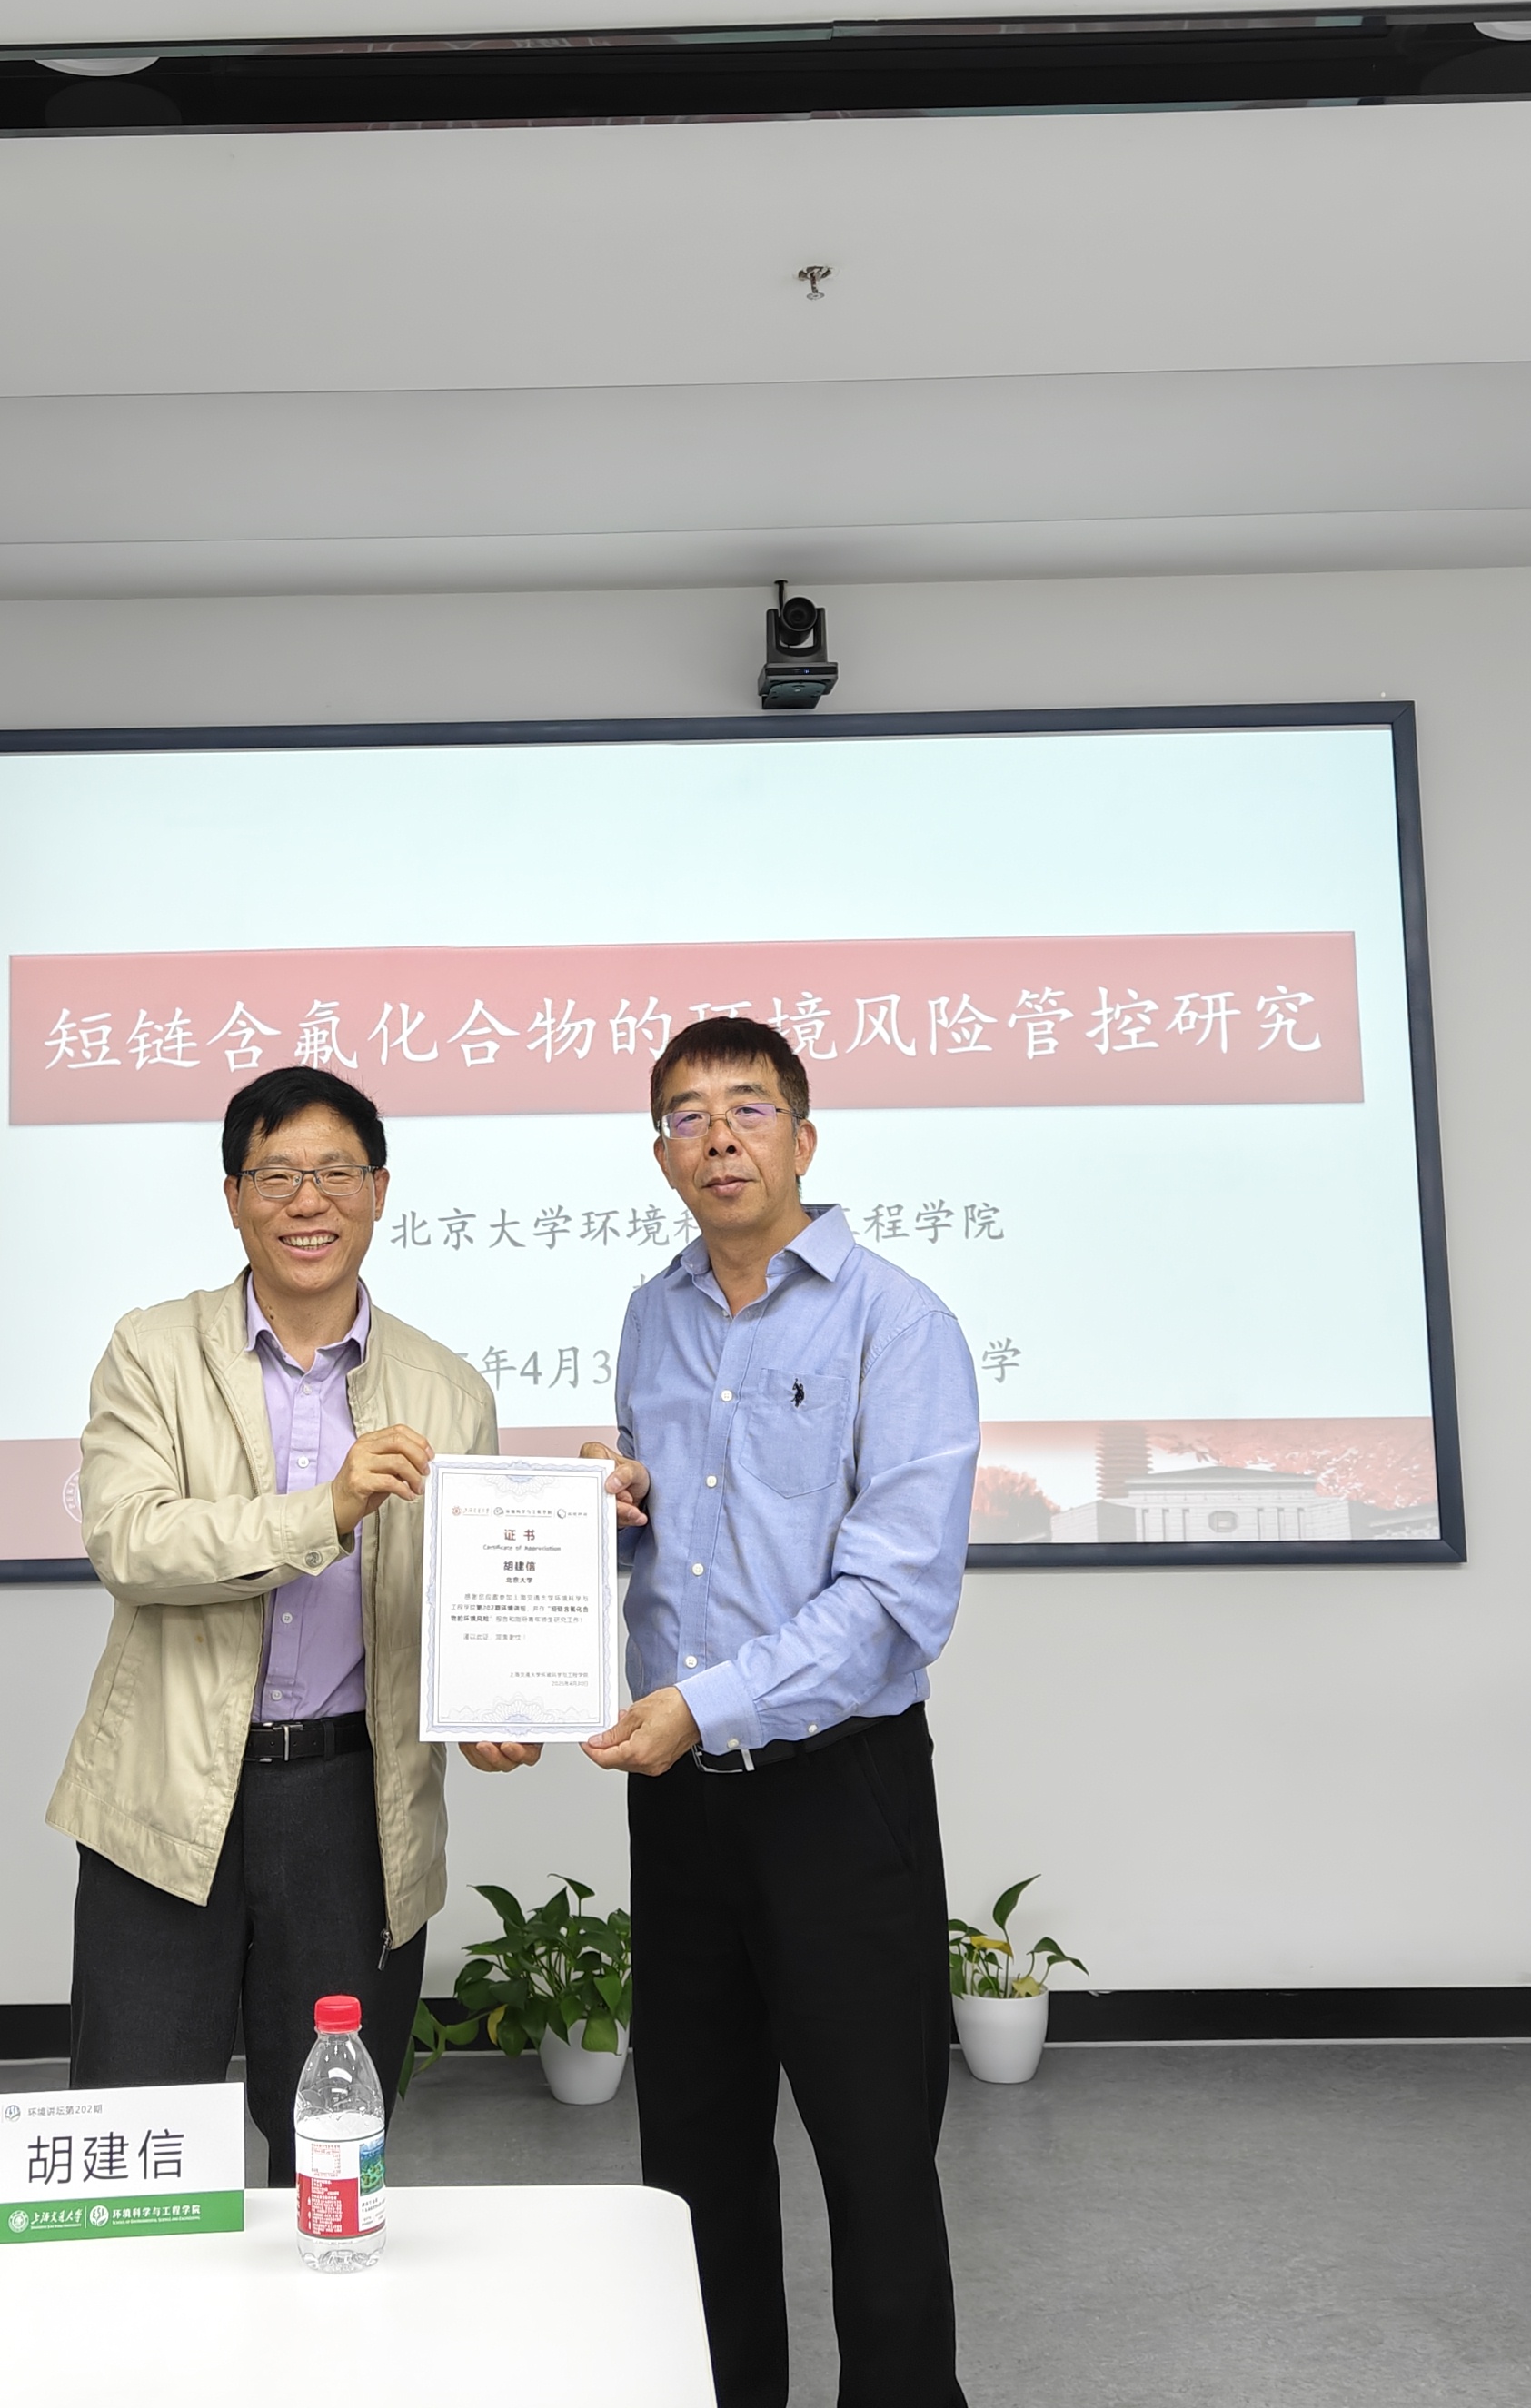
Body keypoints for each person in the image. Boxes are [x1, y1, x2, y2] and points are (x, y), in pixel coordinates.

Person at [585, 1015, 981, 2408]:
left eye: (747, 1108)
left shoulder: (899, 1320)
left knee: (876, 2159)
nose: (719, 1138)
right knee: (692, 2157)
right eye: (687, 1117)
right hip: (682, 1803)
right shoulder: (653, 1315)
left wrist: (702, 1706)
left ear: (804, 1138)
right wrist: (612, 1514)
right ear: (662, 1157)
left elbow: (893, 1600)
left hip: (838, 1792)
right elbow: (673, 1547)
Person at [44, 1064, 522, 2183]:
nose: (309, 1201)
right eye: (277, 1176)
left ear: (380, 1190)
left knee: (329, 2147)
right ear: (233, 1197)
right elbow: (130, 1541)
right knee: (136, 2135)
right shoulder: (152, 1350)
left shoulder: (449, 1391)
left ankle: (326, 2298)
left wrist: (491, 1701)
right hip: (166, 1798)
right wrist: (329, 1510)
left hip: (352, 1807)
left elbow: (463, 1599)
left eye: (336, 1173)